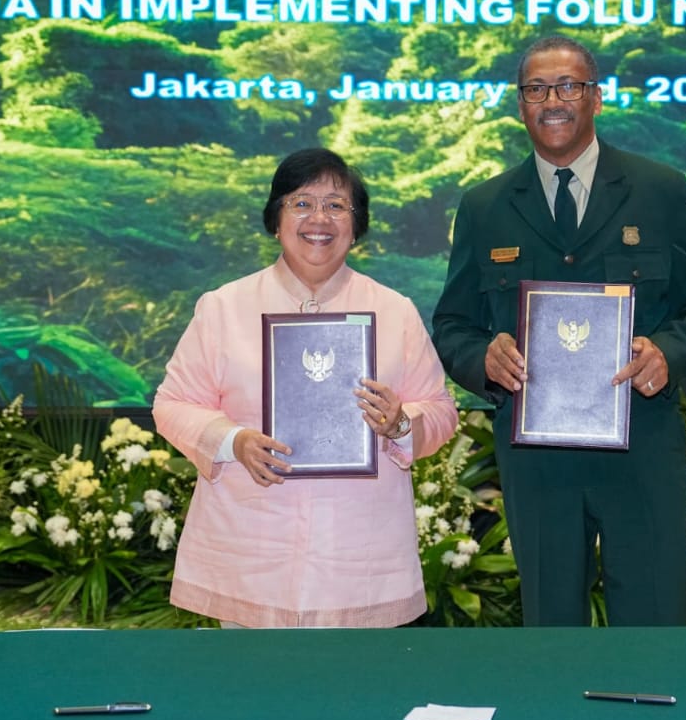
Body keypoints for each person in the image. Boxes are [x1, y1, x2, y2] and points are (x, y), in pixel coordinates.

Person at [431, 35, 686, 627]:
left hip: (641, 443)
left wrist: (667, 353)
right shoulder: (484, 205)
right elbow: (453, 325)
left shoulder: (659, 190)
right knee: (550, 626)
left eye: (568, 86)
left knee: (652, 616)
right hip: (535, 456)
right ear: (520, 104)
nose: (553, 100)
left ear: (595, 98)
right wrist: (483, 360)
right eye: (536, 89)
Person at [154, 148, 458, 628]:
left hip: (361, 553)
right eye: (301, 203)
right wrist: (235, 442)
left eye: (337, 206)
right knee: (255, 694)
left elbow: (440, 410)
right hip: (251, 548)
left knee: (356, 698)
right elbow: (173, 404)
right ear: (275, 219)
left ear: (356, 227)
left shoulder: (394, 311)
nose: (320, 218)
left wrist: (401, 422)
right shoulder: (224, 307)